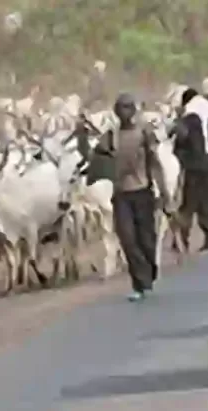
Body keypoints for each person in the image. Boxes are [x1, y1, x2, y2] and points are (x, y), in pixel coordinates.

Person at [90, 93, 172, 302]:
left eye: (128, 107)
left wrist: (165, 194)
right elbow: (97, 158)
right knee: (127, 239)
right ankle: (139, 283)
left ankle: (149, 271)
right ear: (116, 111)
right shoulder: (111, 136)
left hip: (143, 191)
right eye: (121, 108)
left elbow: (155, 163)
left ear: (134, 111)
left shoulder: (144, 134)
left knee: (146, 239)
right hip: (121, 195)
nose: (124, 112)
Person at [172, 88, 208, 251]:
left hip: (195, 165)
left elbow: (182, 136)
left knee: (188, 204)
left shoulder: (190, 117)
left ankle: (181, 239)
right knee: (203, 202)